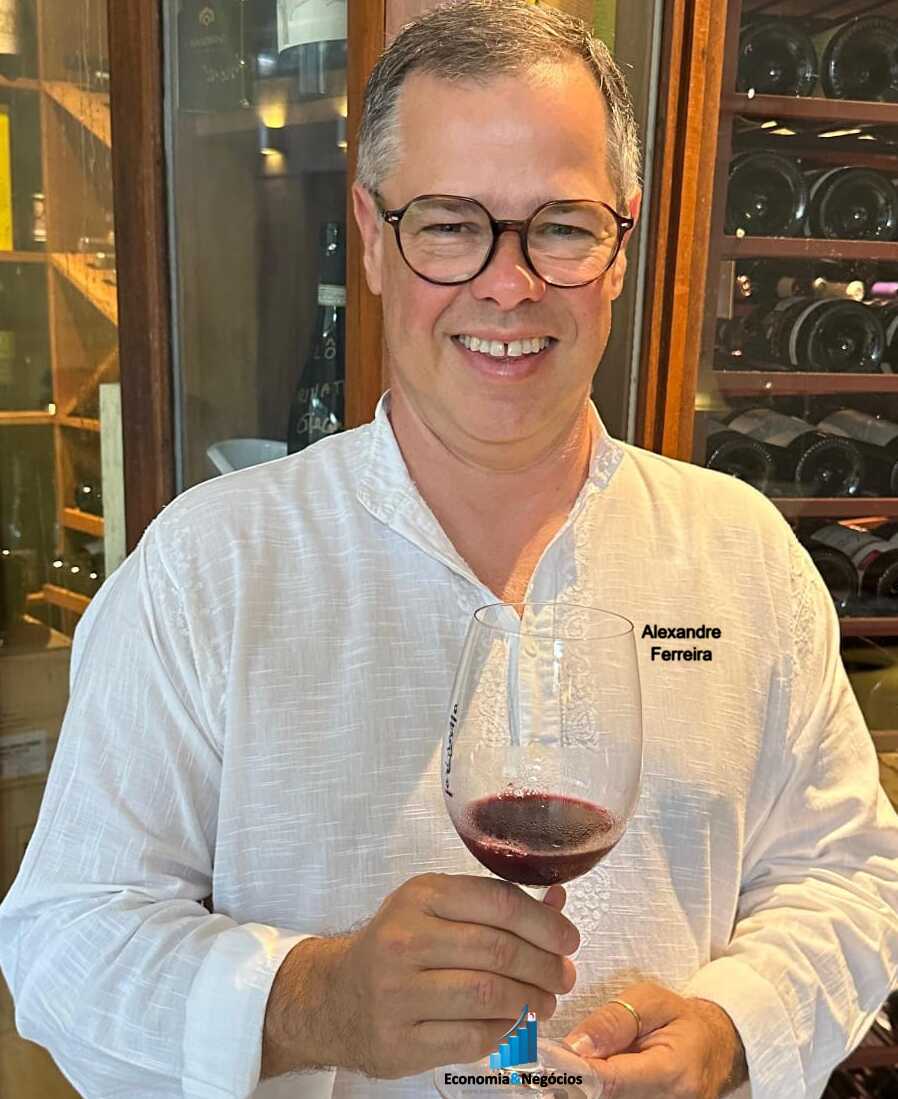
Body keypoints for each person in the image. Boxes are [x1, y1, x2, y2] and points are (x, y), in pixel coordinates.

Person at [2, 2, 898, 1097]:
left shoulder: (741, 552)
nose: (507, 283)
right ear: (373, 237)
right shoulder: (209, 568)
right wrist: (312, 1000)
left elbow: (850, 877)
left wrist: (731, 1032)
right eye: (447, 224)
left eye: (560, 226)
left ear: (622, 244)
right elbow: (66, 942)